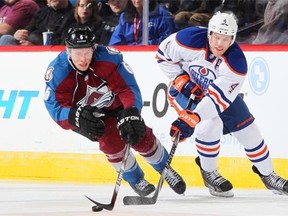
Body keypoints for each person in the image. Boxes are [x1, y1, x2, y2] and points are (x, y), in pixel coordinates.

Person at [156, 11, 288, 197]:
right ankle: (209, 172)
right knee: (211, 124)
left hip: (215, 95)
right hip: (185, 92)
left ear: (233, 39)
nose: (220, 43)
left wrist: (192, 118)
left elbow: (217, 100)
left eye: (226, 39)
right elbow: (163, 55)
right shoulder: (188, 39)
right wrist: (179, 79)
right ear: (209, 33)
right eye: (217, 37)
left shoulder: (236, 63)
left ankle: (268, 174)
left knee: (249, 129)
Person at [43, 26, 186, 197]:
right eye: (77, 53)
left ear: (94, 48)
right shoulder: (58, 72)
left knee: (139, 135)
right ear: (68, 51)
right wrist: (75, 117)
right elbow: (56, 108)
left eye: (87, 52)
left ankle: (165, 168)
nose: (83, 59)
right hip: (88, 117)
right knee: (111, 143)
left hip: (117, 108)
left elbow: (128, 88)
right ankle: (135, 179)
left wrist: (131, 111)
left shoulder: (108, 59)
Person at [0, 0, 75, 45]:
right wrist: (19, 34)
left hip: (50, 52)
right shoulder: (42, 12)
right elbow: (28, 30)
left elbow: (64, 41)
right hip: (28, 49)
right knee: (6, 38)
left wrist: (34, 47)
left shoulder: (74, 14)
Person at [109, 0, 176, 45]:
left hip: (153, 56)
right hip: (129, 57)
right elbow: (115, 42)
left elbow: (168, 41)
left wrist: (147, 45)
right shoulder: (125, 17)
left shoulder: (161, 14)